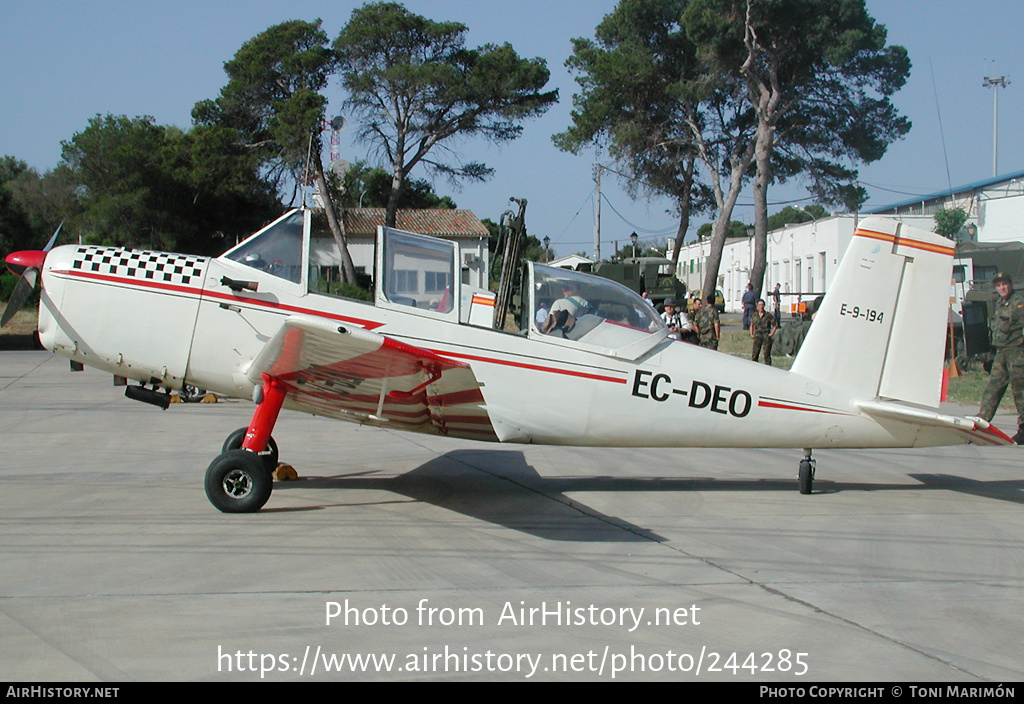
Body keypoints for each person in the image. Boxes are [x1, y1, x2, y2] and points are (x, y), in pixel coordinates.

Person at [977, 272, 1024, 444]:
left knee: (1020, 392)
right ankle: (981, 422)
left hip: (1017, 353)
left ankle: (1023, 429)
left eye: (1005, 284)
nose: (1002, 288)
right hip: (1002, 352)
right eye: (998, 285)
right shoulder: (1000, 303)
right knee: (993, 388)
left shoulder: (1018, 303)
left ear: (1011, 284)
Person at [750, 298, 778, 364]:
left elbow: (774, 326)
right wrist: (751, 334)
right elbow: (752, 325)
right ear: (757, 306)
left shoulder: (768, 315)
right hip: (757, 335)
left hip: (766, 335)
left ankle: (768, 367)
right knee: (755, 353)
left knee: (766, 353)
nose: (761, 307)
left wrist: (771, 334)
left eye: (762, 305)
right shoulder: (754, 315)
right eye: (759, 305)